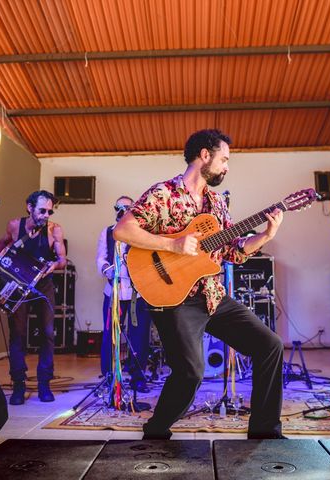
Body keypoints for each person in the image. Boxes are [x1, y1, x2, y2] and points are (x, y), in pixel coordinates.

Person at [113, 129, 285, 439]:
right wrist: (172, 246)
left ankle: (264, 431)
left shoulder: (217, 203)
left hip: (212, 294)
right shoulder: (163, 194)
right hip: (173, 297)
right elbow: (123, 230)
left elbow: (231, 249)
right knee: (190, 372)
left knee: (269, 345)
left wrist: (265, 236)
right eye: (224, 159)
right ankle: (156, 430)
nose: (227, 167)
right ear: (204, 155)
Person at [0, 190, 67, 405]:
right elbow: (3, 242)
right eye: (42, 210)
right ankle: (18, 384)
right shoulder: (15, 225)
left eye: (49, 211)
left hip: (43, 284)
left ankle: (44, 383)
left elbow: (62, 259)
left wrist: (55, 265)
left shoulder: (55, 230)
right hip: (18, 284)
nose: (46, 215)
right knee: (17, 333)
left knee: (48, 333)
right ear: (29, 207)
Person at [96, 195, 152, 393]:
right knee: (110, 334)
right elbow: (101, 258)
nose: (123, 210)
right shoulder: (108, 232)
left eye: (128, 207)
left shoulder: (141, 232)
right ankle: (110, 375)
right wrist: (107, 270)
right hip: (114, 291)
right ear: (115, 208)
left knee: (139, 335)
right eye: (120, 207)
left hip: (138, 293)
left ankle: (138, 377)